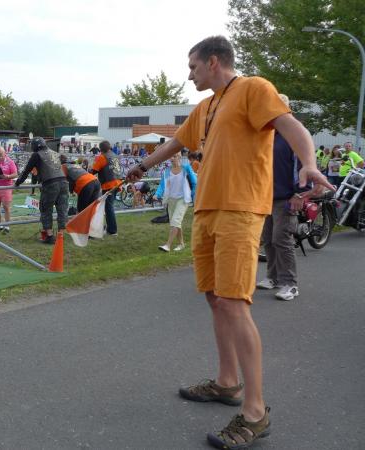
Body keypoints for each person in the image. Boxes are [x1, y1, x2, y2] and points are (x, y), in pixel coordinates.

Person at [126, 36, 332, 449]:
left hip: (240, 209)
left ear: (214, 62)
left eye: (193, 67)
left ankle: (255, 413)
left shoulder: (253, 89)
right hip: (206, 211)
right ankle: (226, 382)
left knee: (235, 304)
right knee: (215, 298)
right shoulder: (206, 107)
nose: (189, 75)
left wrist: (309, 164)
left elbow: (292, 127)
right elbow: (178, 142)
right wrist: (142, 166)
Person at [257, 94, 316, 301]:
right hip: (266, 197)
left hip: (287, 197)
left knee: (281, 239)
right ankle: (272, 277)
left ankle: (290, 284)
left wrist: (300, 193)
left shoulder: (293, 133)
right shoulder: (269, 134)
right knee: (268, 239)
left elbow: (303, 164)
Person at [15, 137, 68, 244]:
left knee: (45, 208)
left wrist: (18, 182)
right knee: (62, 208)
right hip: (63, 182)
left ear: (34, 146)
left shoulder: (36, 155)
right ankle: (61, 235)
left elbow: (26, 170)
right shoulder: (55, 153)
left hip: (50, 183)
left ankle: (50, 236)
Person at [154, 152, 197, 252]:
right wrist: (157, 194)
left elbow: (194, 182)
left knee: (175, 221)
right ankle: (181, 244)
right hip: (171, 199)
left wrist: (192, 194)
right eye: (170, 156)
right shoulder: (167, 171)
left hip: (183, 199)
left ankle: (168, 245)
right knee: (176, 223)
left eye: (174, 156)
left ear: (179, 157)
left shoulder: (186, 168)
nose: (172, 158)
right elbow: (162, 185)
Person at [90, 141, 123, 235]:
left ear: (101, 149)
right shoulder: (115, 155)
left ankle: (112, 230)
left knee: (109, 208)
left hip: (109, 185)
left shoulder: (102, 157)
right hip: (118, 183)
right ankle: (110, 228)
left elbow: (93, 171)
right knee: (109, 206)